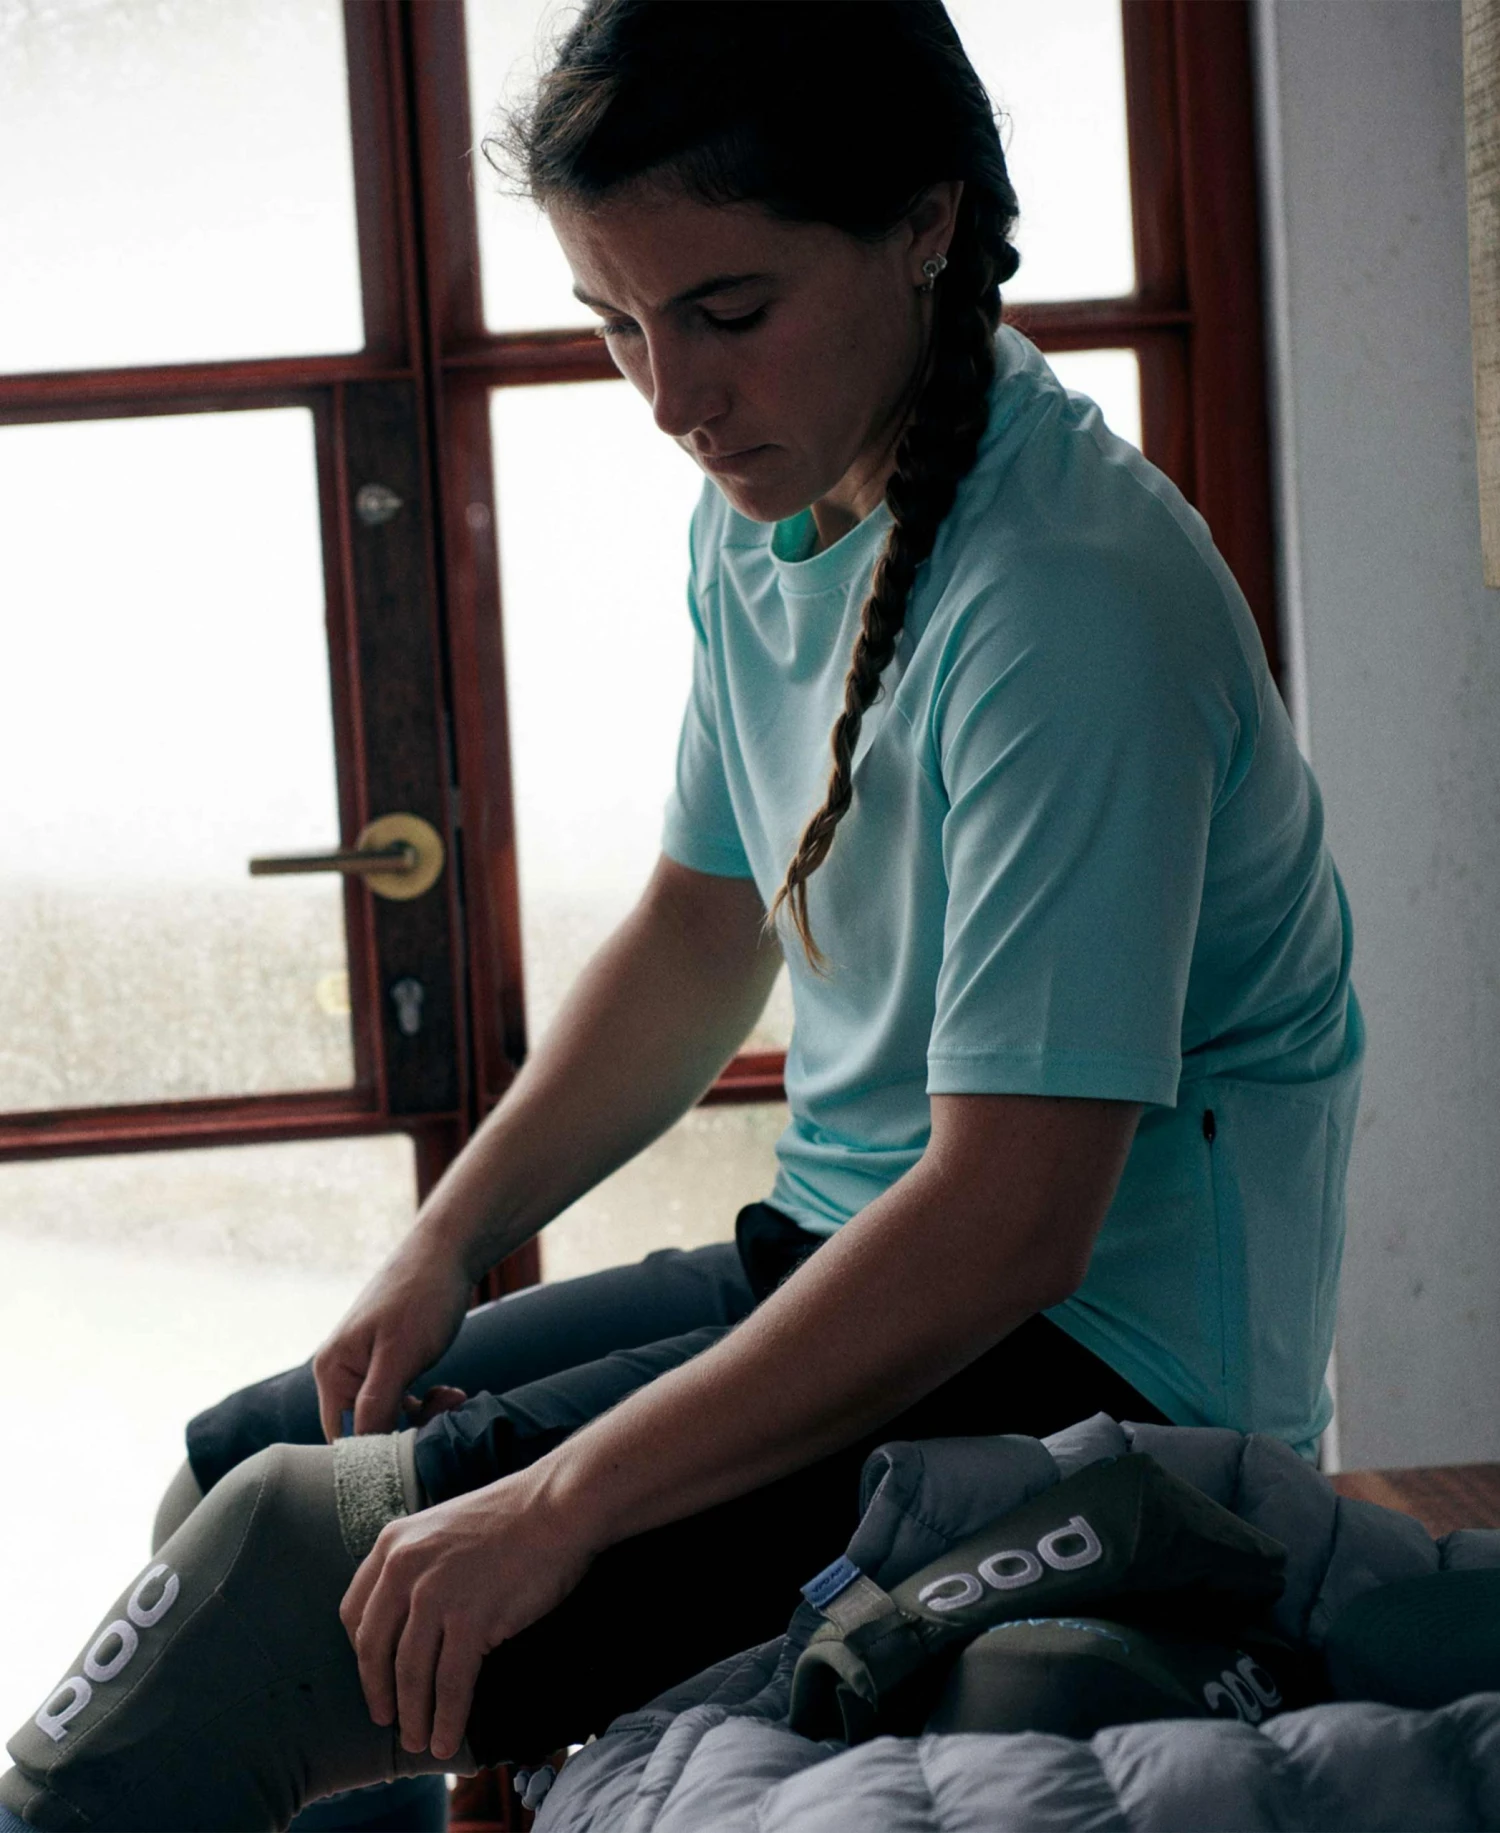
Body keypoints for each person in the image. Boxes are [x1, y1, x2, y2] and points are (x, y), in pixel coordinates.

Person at [2, 2, 1363, 1826]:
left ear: (926, 223)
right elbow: (701, 932)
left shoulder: (1071, 602)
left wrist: (560, 1502)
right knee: (248, 1467)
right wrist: (450, 1238)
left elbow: (1014, 1223)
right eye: (618, 323)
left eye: (727, 311)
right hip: (852, 1248)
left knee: (275, 1582)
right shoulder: (771, 505)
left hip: (1106, 1374)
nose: (669, 396)